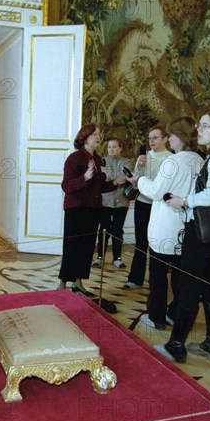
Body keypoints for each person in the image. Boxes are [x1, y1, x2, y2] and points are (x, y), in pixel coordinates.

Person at [156, 109, 210, 363]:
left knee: (188, 285)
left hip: (201, 231)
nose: (198, 130)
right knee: (208, 284)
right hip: (206, 231)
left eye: (205, 126)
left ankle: (176, 344)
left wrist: (185, 201)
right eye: (199, 126)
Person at [127, 117, 204, 330]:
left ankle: (156, 316)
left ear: (179, 137)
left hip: (166, 226)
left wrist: (138, 181)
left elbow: (156, 191)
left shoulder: (173, 161)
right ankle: (174, 313)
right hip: (187, 226)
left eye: (171, 135)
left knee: (159, 274)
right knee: (180, 276)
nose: (169, 139)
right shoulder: (199, 160)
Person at [58, 124, 126, 295]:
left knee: (86, 248)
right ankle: (62, 283)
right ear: (85, 137)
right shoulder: (74, 158)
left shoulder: (98, 160)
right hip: (76, 210)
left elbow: (99, 187)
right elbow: (66, 186)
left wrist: (115, 183)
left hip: (94, 210)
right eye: (94, 134)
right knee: (72, 246)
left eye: (99, 133)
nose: (98, 137)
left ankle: (78, 282)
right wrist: (84, 177)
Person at [123, 126, 171, 289]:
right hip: (143, 203)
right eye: (150, 138)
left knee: (158, 242)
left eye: (155, 137)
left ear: (165, 139)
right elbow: (136, 183)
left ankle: (158, 280)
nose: (151, 141)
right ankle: (135, 279)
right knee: (141, 241)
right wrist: (140, 168)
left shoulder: (171, 158)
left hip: (162, 206)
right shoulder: (144, 157)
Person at [92, 138, 132, 269]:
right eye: (109, 147)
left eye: (114, 147)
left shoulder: (126, 162)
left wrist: (115, 179)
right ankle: (99, 257)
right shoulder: (103, 162)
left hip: (121, 202)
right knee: (103, 229)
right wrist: (116, 179)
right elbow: (105, 179)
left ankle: (117, 258)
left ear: (120, 148)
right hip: (105, 201)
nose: (111, 149)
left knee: (117, 230)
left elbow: (125, 177)